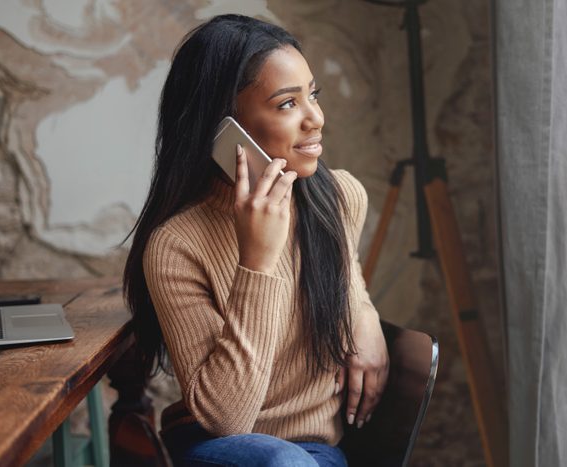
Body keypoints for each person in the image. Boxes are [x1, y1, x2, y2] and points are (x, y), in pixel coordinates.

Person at [123, 14, 389, 467]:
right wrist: (257, 263)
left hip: (314, 451)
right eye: (287, 104)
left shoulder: (340, 198)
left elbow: (350, 279)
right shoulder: (176, 245)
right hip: (218, 446)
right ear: (225, 128)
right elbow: (226, 418)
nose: (315, 119)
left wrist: (366, 317)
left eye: (313, 95)